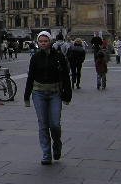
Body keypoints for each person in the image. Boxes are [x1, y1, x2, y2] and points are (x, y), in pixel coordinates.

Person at [24, 31, 72, 165]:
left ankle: (57, 144)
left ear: (50, 42)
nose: (43, 43)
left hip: (55, 93)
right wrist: (26, 96)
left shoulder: (59, 56)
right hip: (38, 93)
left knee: (55, 124)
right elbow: (30, 77)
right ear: (38, 43)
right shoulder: (35, 57)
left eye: (46, 41)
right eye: (41, 41)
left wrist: (67, 94)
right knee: (43, 124)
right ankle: (46, 153)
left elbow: (65, 77)